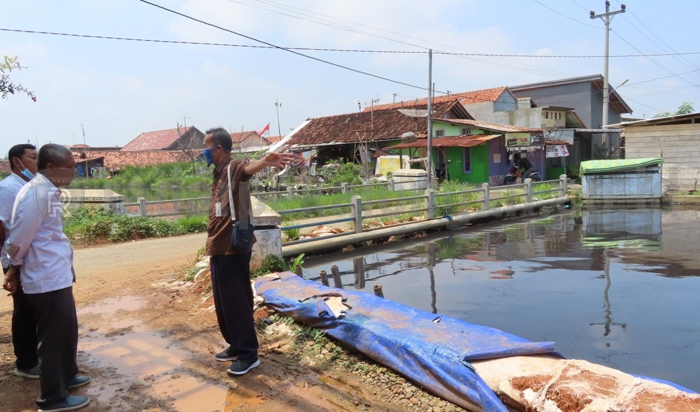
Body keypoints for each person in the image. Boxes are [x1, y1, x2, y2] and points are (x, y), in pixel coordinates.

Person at [3, 144, 90, 412]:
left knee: (65, 333)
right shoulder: (37, 193)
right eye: (70, 167)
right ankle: (53, 398)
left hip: (56, 275)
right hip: (45, 278)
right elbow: (19, 238)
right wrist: (13, 267)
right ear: (52, 168)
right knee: (52, 340)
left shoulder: (47, 191)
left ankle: (68, 376)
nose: (75, 172)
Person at [203, 127, 294, 376]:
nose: (204, 153)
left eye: (206, 148)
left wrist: (265, 161)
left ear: (218, 148)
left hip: (233, 247)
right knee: (223, 303)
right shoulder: (218, 173)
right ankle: (235, 344)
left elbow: (248, 168)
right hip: (218, 246)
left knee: (237, 301)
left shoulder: (233, 168)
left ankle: (248, 354)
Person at [0, 144, 40, 379]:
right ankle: (25, 362)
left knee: (35, 308)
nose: (37, 162)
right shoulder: (7, 188)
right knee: (24, 310)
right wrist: (7, 258)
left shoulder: (29, 186)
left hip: (30, 258)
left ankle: (36, 354)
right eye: (33, 158)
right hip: (15, 258)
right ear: (18, 162)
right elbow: (1, 224)